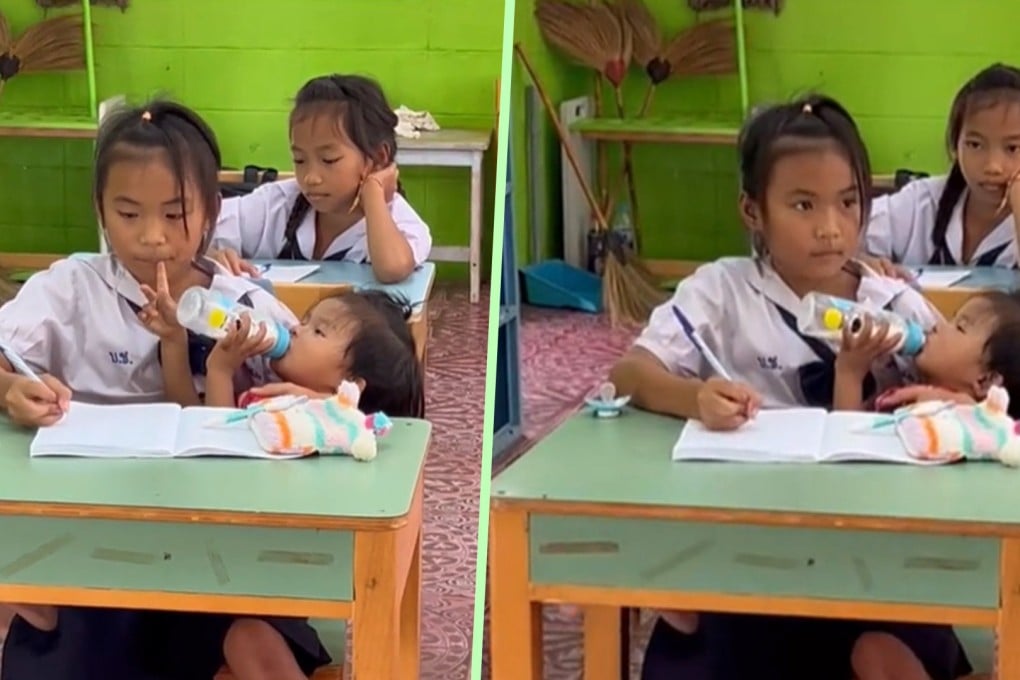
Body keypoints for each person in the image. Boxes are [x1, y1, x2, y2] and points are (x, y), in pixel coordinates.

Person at [608, 94, 967, 680]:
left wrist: (948, 393)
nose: (831, 228)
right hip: (752, 549)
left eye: (849, 202)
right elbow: (630, 372)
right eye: (803, 204)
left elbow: (970, 371)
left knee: (888, 651)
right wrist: (693, 397)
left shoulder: (890, 297)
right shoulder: (721, 291)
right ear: (753, 210)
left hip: (877, 554)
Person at [0, 99, 312, 680]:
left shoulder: (241, 301)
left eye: (175, 215)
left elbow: (317, 374)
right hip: (92, 543)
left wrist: (300, 394)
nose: (151, 237)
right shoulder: (72, 286)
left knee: (250, 638)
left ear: (213, 211)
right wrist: (9, 388)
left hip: (219, 545)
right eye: (128, 213)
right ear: (100, 210)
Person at [211, 74, 432, 283]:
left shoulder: (400, 223)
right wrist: (211, 257)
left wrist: (373, 193)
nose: (311, 177)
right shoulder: (277, 204)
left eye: (329, 160)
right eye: (299, 160)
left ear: (377, 157)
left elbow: (392, 268)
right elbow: (192, 229)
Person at [865, 63, 1020, 269]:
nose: (993, 166)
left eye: (1013, 148)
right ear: (956, 146)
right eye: (975, 145)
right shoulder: (922, 203)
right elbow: (846, 236)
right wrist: (863, 264)